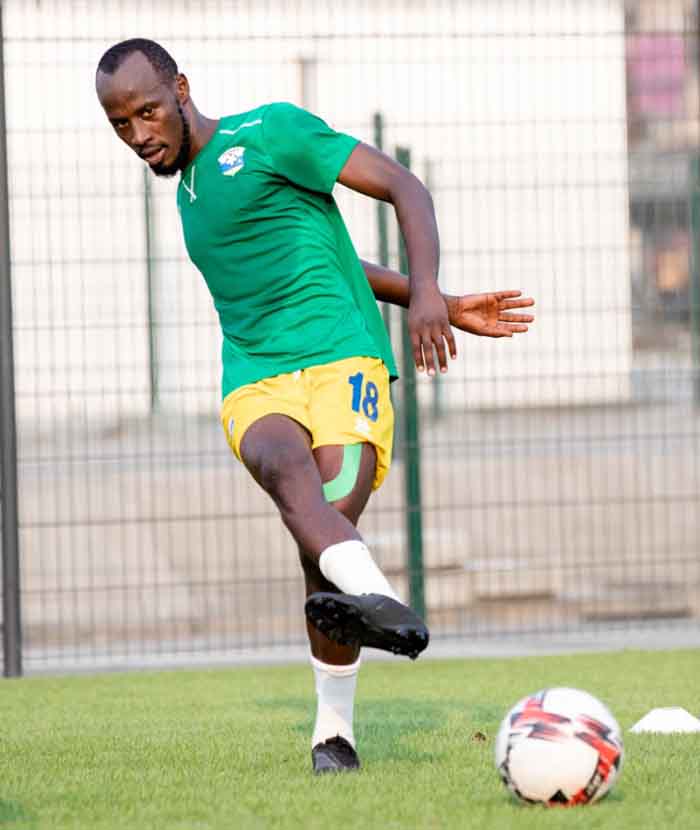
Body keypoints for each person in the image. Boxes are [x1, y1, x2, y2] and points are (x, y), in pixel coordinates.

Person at [95, 38, 535, 775]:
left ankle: (334, 733)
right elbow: (323, 259)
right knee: (285, 471)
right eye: (120, 124)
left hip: (344, 359)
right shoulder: (189, 194)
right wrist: (431, 297)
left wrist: (433, 294)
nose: (139, 134)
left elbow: (404, 186)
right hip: (255, 379)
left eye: (147, 112)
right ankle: (385, 605)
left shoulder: (270, 132)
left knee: (325, 529)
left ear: (181, 89)